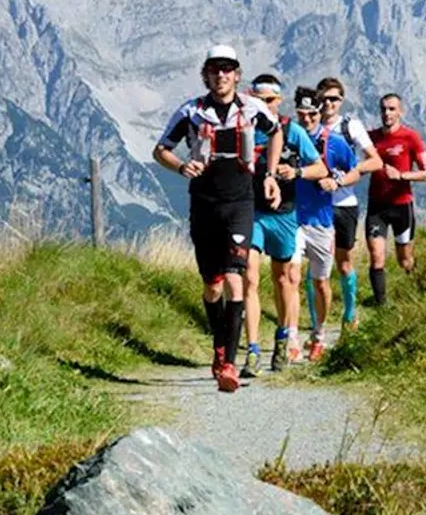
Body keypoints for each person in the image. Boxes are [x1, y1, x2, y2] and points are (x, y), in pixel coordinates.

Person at [152, 45, 281, 392]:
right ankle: (219, 345)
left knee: (236, 280)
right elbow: (160, 149)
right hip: (205, 204)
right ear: (206, 74)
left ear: (237, 74)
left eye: (228, 68)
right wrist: (181, 166)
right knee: (212, 285)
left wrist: (269, 174)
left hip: (241, 203)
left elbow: (277, 133)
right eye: (214, 69)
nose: (221, 75)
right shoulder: (191, 111)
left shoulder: (252, 109)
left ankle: (229, 365)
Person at [241, 73, 325, 376]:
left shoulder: (293, 131)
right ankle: (251, 351)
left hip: (285, 214)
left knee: (284, 279)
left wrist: (297, 172)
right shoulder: (245, 129)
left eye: (270, 101)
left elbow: (321, 168)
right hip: (252, 213)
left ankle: (281, 338)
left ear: (278, 101)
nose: (265, 106)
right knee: (249, 276)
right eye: (259, 101)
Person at [293, 87, 363, 362]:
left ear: (319, 112)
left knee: (320, 281)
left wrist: (336, 182)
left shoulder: (334, 142)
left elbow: (355, 170)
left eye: (311, 114)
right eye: (302, 114)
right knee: (291, 276)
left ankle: (319, 335)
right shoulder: (289, 138)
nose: (307, 119)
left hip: (322, 220)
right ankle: (292, 337)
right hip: (293, 219)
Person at [314, 77, 379, 329]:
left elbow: (375, 161)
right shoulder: (310, 124)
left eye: (334, 98)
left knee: (343, 262)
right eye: (325, 98)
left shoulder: (350, 125)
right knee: (316, 266)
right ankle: (316, 321)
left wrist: (350, 172)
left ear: (341, 101)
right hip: (316, 204)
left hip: (344, 203)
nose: (329, 103)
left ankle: (350, 315)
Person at [365, 92, 426, 306]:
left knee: (404, 260)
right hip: (377, 206)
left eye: (392, 109)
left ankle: (415, 296)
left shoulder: (410, 137)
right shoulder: (371, 138)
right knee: (377, 256)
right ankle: (380, 306)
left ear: (400, 111)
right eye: (384, 108)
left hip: (402, 206)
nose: (387, 113)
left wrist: (402, 175)